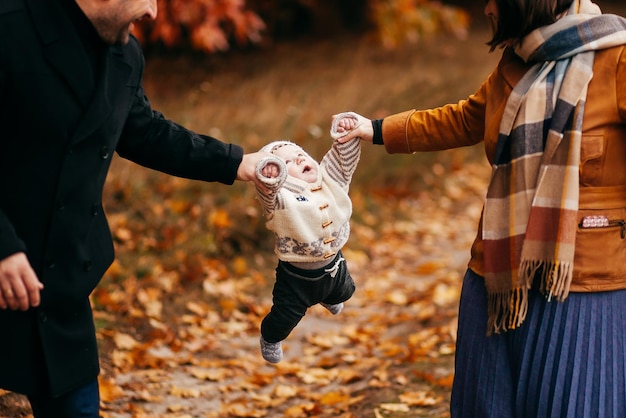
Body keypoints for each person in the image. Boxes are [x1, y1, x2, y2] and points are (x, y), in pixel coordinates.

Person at [334, 0, 626, 416]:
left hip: (582, 286)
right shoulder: (516, 63)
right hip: (498, 270)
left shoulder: (616, 57)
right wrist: (376, 129)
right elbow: (464, 119)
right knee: (485, 407)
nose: (487, 6)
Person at [0, 0, 270, 416]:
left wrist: (238, 162)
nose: (153, 12)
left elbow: (145, 132)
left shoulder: (125, 55)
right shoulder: (10, 28)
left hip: (61, 286)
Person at [253, 112, 361, 363]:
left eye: (301, 154)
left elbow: (342, 161)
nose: (299, 157)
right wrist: (268, 175)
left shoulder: (330, 181)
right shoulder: (281, 200)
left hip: (334, 264)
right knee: (284, 318)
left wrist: (345, 135)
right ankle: (269, 338)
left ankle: (329, 296)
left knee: (345, 292)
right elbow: (267, 191)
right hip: (296, 278)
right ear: (280, 177)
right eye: (287, 162)